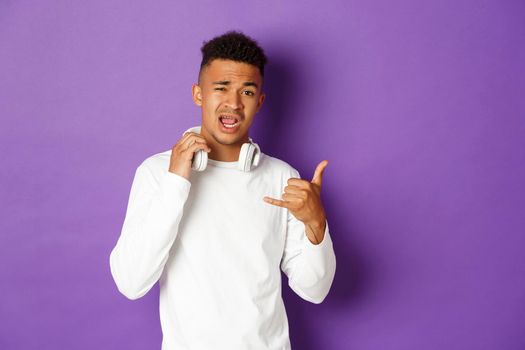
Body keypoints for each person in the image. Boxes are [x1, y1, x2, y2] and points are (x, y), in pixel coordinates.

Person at [109, 30, 336, 350]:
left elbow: (315, 290)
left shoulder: (283, 177)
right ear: (198, 94)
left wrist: (316, 225)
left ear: (260, 102)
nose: (233, 103)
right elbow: (131, 282)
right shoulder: (158, 173)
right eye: (221, 88)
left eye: (246, 91)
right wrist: (176, 182)